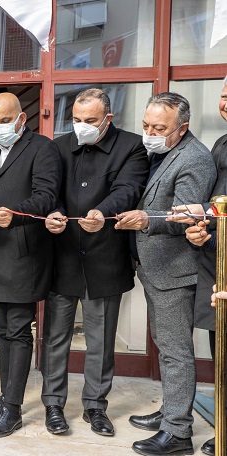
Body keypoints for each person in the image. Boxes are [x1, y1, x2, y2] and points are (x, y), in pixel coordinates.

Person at [41, 88, 148, 436]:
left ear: (108, 119)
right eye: (76, 119)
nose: (82, 126)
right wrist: (54, 212)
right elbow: (49, 191)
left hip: (105, 257)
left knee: (100, 340)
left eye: (90, 120)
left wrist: (102, 212)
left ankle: (95, 406)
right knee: (55, 337)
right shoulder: (58, 146)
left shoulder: (131, 146)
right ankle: (53, 403)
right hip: (63, 256)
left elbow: (128, 189)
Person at [115, 92, 216, 455]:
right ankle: (173, 411)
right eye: (146, 125)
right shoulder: (161, 152)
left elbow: (187, 215)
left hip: (176, 270)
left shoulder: (194, 159)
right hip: (156, 268)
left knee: (175, 352)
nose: (150, 133)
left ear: (182, 127)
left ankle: (177, 434)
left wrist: (147, 219)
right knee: (166, 345)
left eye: (159, 128)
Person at [0, 93, 62, 438]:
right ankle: (5, 396)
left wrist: (17, 213)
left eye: (5, 121)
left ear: (22, 119)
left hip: (25, 251)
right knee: (2, 329)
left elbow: (47, 195)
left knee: (19, 330)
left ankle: (13, 408)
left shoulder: (42, 148)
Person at [168, 75, 227, 456]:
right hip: (216, 259)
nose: (226, 104)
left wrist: (203, 210)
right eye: (224, 96)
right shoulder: (222, 144)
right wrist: (202, 228)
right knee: (220, 350)